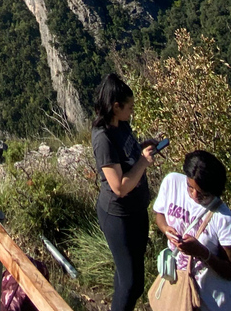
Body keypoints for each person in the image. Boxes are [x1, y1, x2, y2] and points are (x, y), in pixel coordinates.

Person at [91, 73, 157, 311]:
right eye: (128, 107)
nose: (132, 111)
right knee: (132, 284)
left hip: (136, 209)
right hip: (119, 215)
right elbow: (118, 187)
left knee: (129, 277)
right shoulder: (103, 139)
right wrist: (143, 162)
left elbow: (127, 154)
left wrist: (141, 148)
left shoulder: (122, 124)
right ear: (115, 106)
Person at [153, 151, 231, 310]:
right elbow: (159, 214)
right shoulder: (172, 183)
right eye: (190, 187)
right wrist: (166, 229)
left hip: (212, 302)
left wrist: (202, 252)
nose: (194, 196)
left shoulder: (224, 219)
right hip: (178, 290)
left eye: (203, 194)